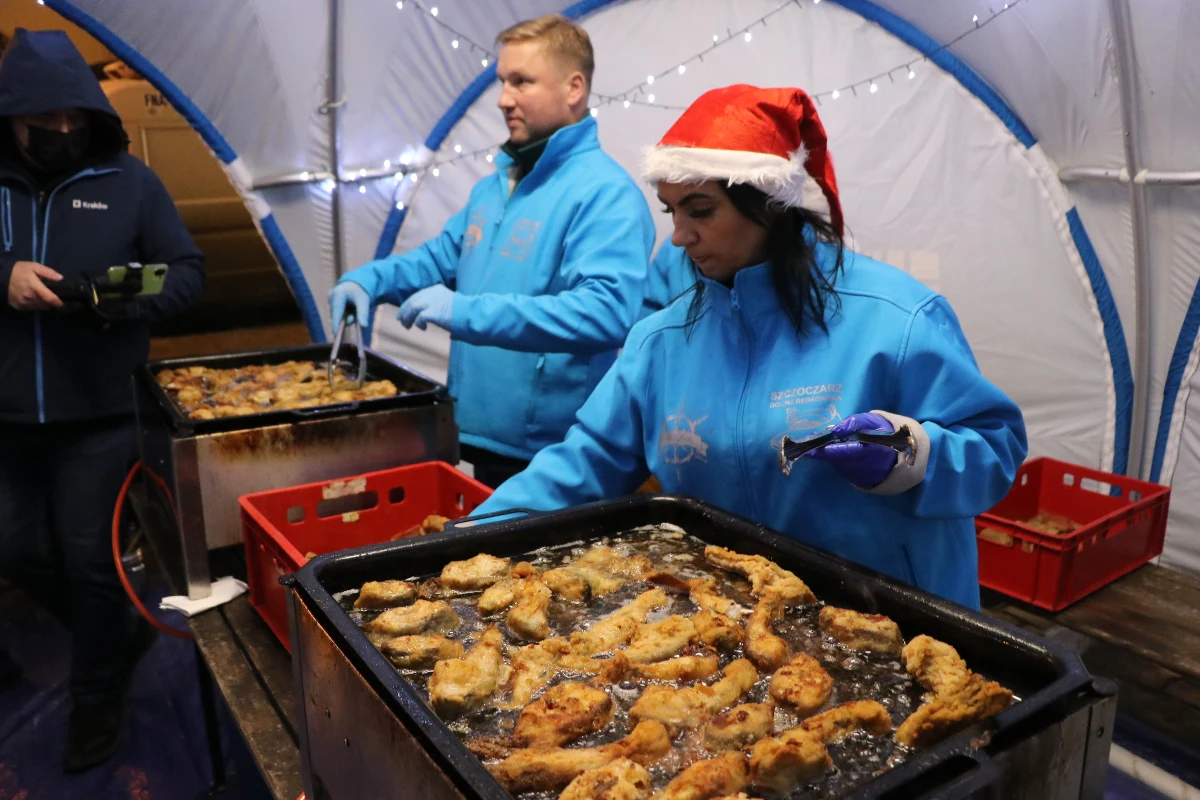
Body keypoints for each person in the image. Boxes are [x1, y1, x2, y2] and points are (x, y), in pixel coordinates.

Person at [471, 85, 1028, 610]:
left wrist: (912, 455)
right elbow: (584, 462)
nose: (679, 236)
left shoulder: (896, 319)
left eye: (700, 209)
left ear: (768, 204)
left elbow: (995, 449)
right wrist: (464, 541)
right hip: (740, 632)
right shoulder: (662, 343)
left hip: (893, 622)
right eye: (673, 211)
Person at [329, 14, 655, 488]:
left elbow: (606, 313)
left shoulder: (605, 195)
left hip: (559, 450)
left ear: (574, 88)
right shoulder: (493, 188)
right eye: (503, 82)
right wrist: (368, 280)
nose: (504, 99)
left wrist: (467, 312)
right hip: (479, 433)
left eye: (521, 82)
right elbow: (438, 260)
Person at [0, 29, 205, 770]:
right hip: (8, 416)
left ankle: (96, 700)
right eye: (42, 121)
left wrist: (108, 293)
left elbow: (184, 273)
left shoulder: (130, 183)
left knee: (92, 560)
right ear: (10, 117)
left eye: (73, 120)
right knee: (15, 547)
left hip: (100, 412)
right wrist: (5, 277)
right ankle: (116, 634)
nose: (61, 133)